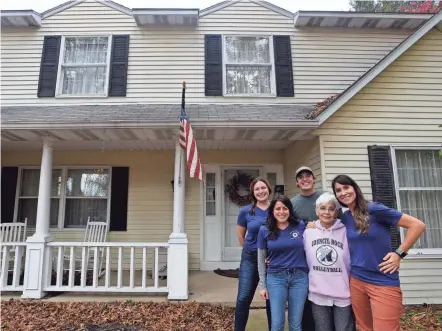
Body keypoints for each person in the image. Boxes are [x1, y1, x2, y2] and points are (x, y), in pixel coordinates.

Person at [331, 174, 426, 331]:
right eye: (338, 190)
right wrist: (312, 225)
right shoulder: (345, 217)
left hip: (383, 280)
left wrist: (399, 253)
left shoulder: (374, 209)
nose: (343, 193)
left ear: (354, 188)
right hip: (356, 281)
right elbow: (327, 223)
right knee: (364, 327)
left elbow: (417, 225)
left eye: (346, 187)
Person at [303, 192, 355, 331]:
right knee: (322, 328)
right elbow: (296, 253)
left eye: (331, 209)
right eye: (323, 208)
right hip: (318, 291)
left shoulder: (345, 231)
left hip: (343, 292)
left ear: (336, 212)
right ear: (317, 211)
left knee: (344, 328)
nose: (327, 212)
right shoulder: (308, 232)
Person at [257, 195, 308, 331]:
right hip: (276, 278)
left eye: (285, 208)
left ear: (289, 210)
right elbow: (261, 259)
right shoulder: (264, 230)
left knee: (296, 324)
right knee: (277, 324)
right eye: (277, 208)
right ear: (272, 211)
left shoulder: (300, 226)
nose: (281, 212)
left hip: (299, 278)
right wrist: (262, 285)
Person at [234, 177, 272, 331]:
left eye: (263, 188)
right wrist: (252, 250)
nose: (261, 191)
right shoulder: (246, 211)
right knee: (243, 298)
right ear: (253, 192)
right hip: (250, 258)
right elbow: (241, 237)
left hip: (272, 259)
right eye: (257, 189)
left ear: (268, 189)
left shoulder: (277, 208)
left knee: (272, 300)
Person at [290, 166, 323, 331]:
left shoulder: (326, 197)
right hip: (304, 256)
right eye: (300, 177)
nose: (305, 179)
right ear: (297, 182)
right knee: (306, 295)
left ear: (313, 178)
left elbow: (340, 222)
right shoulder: (293, 203)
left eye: (308, 176)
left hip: (326, 254)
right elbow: (289, 230)